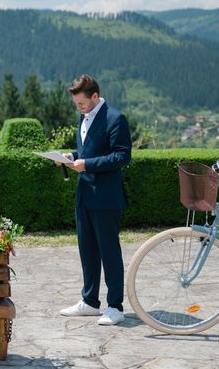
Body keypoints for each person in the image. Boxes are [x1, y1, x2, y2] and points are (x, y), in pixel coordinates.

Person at [59, 74, 132, 326]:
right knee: (87, 251)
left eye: (81, 103)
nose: (78, 107)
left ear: (94, 96)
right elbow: (91, 150)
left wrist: (86, 163)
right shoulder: (84, 116)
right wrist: (71, 156)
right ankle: (90, 302)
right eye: (76, 103)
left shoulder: (115, 117)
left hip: (106, 198)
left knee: (110, 253)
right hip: (84, 197)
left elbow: (122, 156)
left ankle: (115, 306)